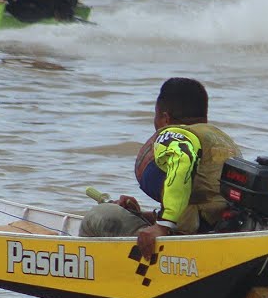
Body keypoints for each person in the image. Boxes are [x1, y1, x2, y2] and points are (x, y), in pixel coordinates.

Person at [80, 78, 242, 257]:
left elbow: (181, 164)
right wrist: (145, 215)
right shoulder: (223, 140)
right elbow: (203, 198)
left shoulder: (175, 134)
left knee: (99, 216)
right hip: (219, 229)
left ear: (165, 118)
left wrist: (163, 226)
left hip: (191, 238)